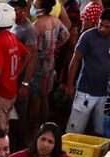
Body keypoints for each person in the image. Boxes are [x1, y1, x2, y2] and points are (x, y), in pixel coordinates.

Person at [0, 2, 30, 132]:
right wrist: (15, 73)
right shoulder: (11, 36)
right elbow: (27, 54)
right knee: (5, 127)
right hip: (11, 92)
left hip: (0, 94)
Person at [66, 10, 110, 136]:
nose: (102, 29)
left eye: (107, 27)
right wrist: (69, 86)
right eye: (101, 24)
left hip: (105, 94)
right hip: (85, 91)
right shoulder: (88, 36)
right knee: (74, 131)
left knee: (102, 132)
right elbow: (75, 60)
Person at [27, 0, 69, 131]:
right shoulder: (55, 21)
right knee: (45, 97)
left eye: (35, 4)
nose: (32, 6)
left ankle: (33, 129)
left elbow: (31, 50)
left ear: (40, 8)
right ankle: (43, 127)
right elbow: (66, 35)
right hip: (50, 63)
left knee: (35, 100)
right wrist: (54, 47)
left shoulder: (37, 25)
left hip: (38, 65)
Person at [10, 0, 38, 147]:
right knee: (13, 116)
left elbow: (32, 58)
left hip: (21, 80)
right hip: (14, 78)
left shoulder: (28, 29)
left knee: (20, 116)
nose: (13, 12)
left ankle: (22, 146)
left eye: (15, 9)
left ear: (22, 10)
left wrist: (25, 84)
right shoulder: (14, 24)